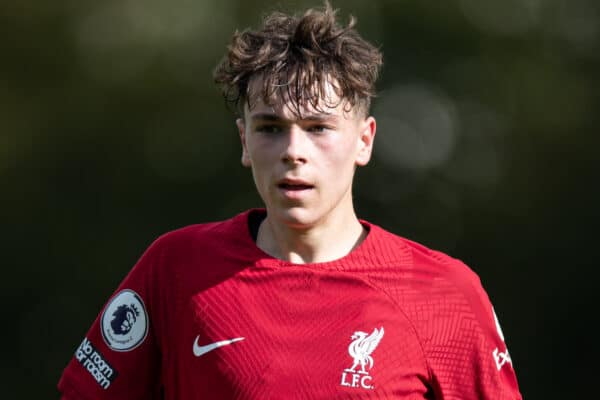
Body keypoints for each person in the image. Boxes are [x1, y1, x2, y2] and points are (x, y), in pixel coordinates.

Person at [57, 2, 522, 399]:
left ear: (364, 140)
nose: (294, 152)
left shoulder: (444, 293)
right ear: (244, 141)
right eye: (271, 128)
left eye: (318, 128)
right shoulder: (175, 269)